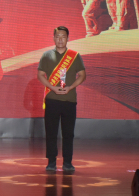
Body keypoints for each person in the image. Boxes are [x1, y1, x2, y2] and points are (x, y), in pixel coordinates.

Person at [37, 26, 86, 172]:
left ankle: (68, 162)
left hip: (69, 100)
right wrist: (52, 87)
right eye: (57, 36)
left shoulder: (74, 56)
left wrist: (70, 87)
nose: (60, 39)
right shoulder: (46, 55)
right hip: (52, 99)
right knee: (51, 132)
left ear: (68, 38)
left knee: (68, 133)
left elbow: (82, 75)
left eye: (63, 36)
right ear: (53, 38)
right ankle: (51, 162)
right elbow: (40, 75)